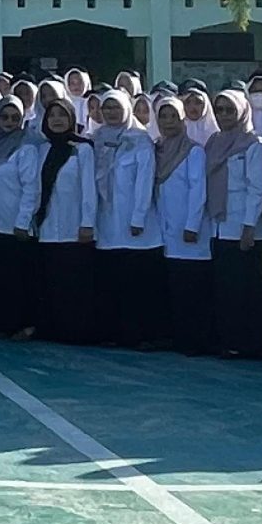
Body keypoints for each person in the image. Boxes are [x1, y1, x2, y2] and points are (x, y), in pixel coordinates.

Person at [18, 99, 100, 345]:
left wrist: (87, 223)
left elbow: (89, 189)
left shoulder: (82, 148)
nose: (56, 120)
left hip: (74, 228)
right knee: (50, 283)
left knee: (74, 284)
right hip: (46, 228)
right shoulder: (42, 150)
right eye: (52, 115)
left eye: (62, 115)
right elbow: (35, 188)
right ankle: (51, 329)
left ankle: (76, 332)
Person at [200, 90, 262, 359]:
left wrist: (249, 226)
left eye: (230, 110)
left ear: (242, 111)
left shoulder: (254, 143)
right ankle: (230, 341)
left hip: (244, 228)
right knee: (226, 288)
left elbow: (257, 188)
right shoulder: (214, 142)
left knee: (247, 290)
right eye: (219, 110)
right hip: (219, 225)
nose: (224, 115)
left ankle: (251, 343)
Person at [88, 91, 159, 348]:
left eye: (116, 107)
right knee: (111, 281)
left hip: (135, 225)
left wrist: (138, 216)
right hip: (107, 222)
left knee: (136, 284)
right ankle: (113, 333)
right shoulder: (96, 139)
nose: (111, 113)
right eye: (106, 108)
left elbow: (144, 180)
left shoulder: (140, 139)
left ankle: (139, 335)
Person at [142, 96, 207, 354]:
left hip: (188, 232)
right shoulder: (156, 149)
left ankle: (195, 341)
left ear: (183, 119)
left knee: (191, 286)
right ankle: (173, 336)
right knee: (171, 286)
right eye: (163, 116)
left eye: (173, 116)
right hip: (163, 229)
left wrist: (192, 224)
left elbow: (197, 190)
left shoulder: (193, 151)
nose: (168, 122)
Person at [0, 96, 43, 340]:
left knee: (21, 280)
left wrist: (23, 221)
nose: (9, 122)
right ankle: (5, 324)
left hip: (18, 227)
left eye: (15, 117)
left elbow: (32, 188)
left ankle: (25, 325)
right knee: (2, 279)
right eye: (4, 117)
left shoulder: (25, 148)